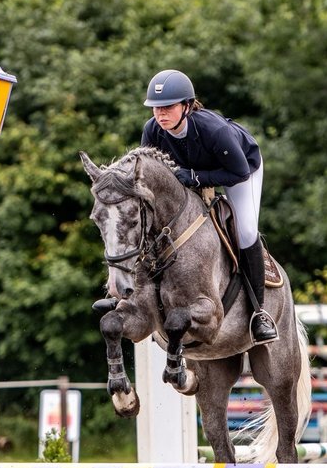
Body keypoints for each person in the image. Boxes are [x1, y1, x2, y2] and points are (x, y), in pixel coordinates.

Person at [93, 69, 278, 344]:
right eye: (156, 108)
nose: (160, 114)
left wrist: (195, 177)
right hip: (189, 176)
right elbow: (149, 176)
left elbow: (237, 172)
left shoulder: (214, 130)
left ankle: (259, 313)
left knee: (247, 230)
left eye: (167, 107)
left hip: (239, 170)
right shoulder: (152, 130)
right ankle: (126, 295)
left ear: (187, 106)